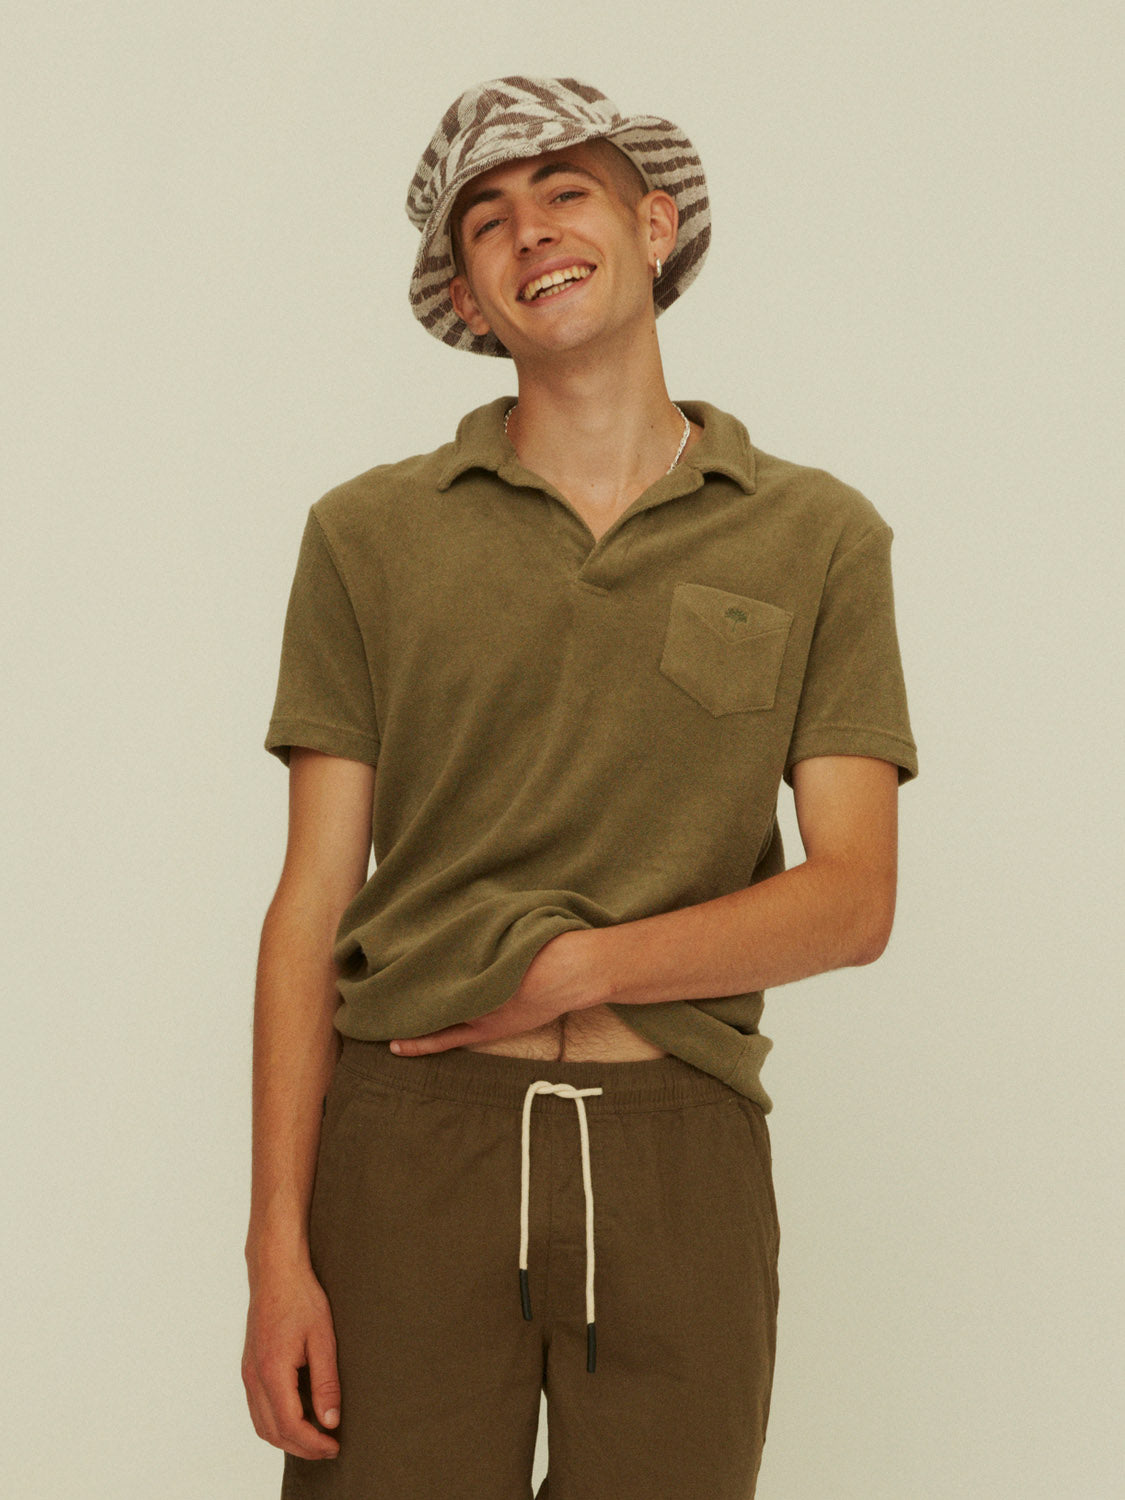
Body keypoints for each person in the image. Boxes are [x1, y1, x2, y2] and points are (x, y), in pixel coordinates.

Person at [241, 76, 917, 1500]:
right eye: (485, 219)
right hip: (412, 1143)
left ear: (652, 225)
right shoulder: (367, 537)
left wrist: (577, 969)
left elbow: (852, 898)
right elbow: (311, 900)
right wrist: (275, 1251)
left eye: (563, 194)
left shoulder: (816, 535)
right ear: (468, 297)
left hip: (679, 1143)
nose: (529, 232)